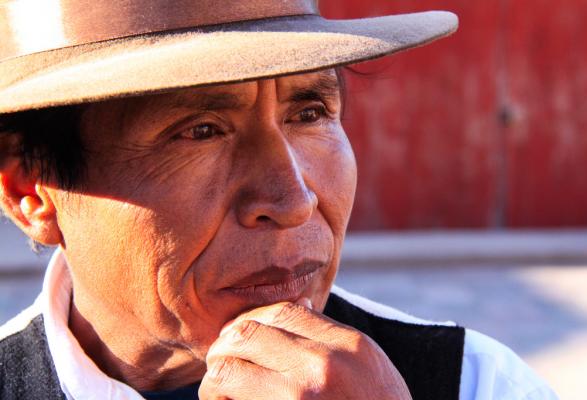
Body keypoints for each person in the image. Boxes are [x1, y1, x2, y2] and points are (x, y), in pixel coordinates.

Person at [0, 1, 558, 399]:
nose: (293, 200)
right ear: (30, 191)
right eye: (200, 130)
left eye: (309, 114)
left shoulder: (476, 383)